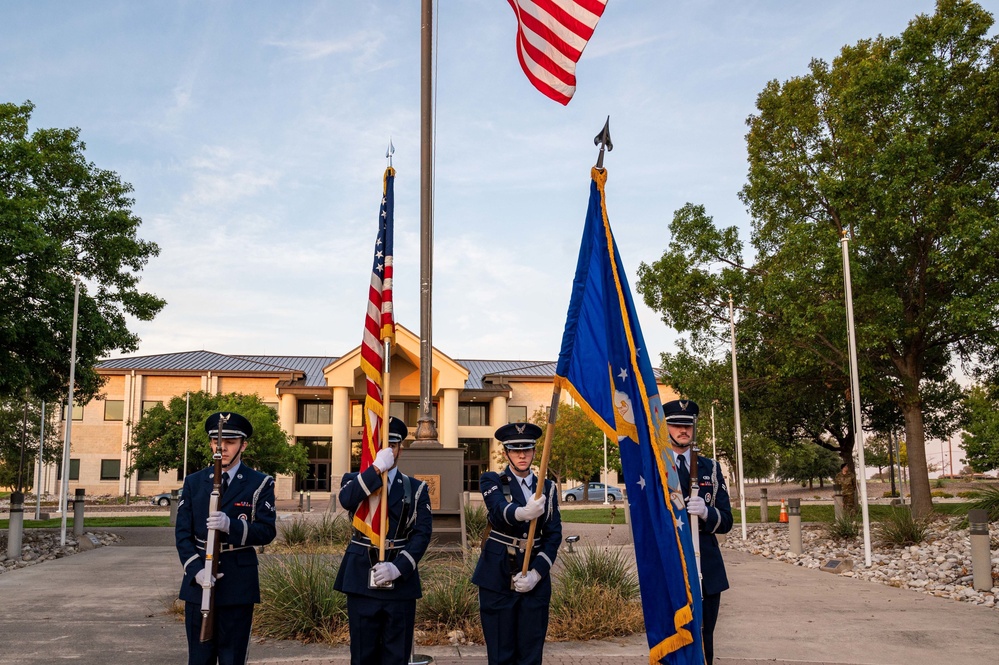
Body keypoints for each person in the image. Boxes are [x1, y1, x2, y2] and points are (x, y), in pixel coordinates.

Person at [175, 411, 277, 665]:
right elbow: (182, 535)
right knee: (199, 658)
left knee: (232, 658)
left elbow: (267, 531)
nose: (222, 447)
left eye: (230, 442)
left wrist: (231, 525)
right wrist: (196, 570)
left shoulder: (259, 483)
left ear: (244, 444)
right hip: (199, 582)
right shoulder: (194, 482)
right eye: (217, 441)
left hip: (237, 582)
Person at [334, 416, 433, 665]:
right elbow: (347, 500)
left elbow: (422, 534)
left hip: (400, 579)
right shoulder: (354, 479)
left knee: (396, 655)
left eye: (392, 444)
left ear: (400, 448)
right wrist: (375, 469)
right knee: (362, 654)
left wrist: (398, 568)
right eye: (380, 444)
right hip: (361, 576)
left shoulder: (416, 488)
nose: (387, 449)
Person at [472, 422, 562, 665]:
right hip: (498, 573)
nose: (521, 455)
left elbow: (553, 535)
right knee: (501, 653)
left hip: (534, 576)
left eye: (527, 449)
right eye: (515, 450)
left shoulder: (549, 488)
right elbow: (499, 510)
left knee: (531, 653)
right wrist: (523, 512)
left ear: (534, 452)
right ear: (505, 453)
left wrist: (537, 573)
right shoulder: (492, 480)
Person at [665, 399, 733, 665]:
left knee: (705, 639)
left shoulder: (711, 468)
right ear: (666, 428)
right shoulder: (658, 468)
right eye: (676, 425)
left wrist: (707, 513)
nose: (683, 430)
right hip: (671, 565)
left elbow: (726, 520)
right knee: (672, 639)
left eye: (688, 425)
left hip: (706, 565)